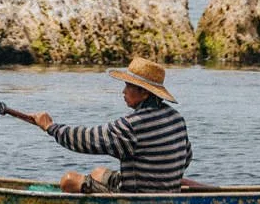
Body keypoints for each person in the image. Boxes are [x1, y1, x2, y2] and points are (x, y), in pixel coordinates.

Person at [31, 55, 192, 193]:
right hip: (167, 188)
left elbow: (87, 140)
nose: (123, 91)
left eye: (128, 86)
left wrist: (51, 127)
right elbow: (186, 158)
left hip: (137, 194)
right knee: (98, 172)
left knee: (69, 180)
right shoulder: (176, 118)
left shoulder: (133, 126)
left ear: (144, 93)